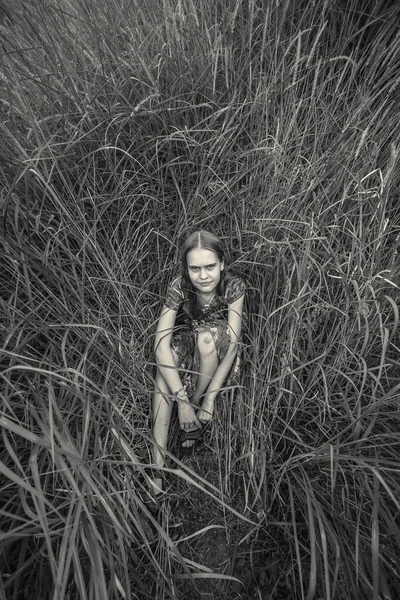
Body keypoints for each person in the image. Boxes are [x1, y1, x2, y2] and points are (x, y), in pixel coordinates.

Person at [151, 230, 246, 494]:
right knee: (164, 365)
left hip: (217, 344)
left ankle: (194, 408)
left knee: (206, 339)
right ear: (186, 268)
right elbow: (159, 345)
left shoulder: (233, 287)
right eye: (195, 268)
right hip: (189, 336)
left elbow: (234, 345)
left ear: (222, 264)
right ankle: (157, 466)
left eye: (210, 267)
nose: (203, 276)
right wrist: (180, 402)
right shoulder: (179, 286)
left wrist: (209, 400)